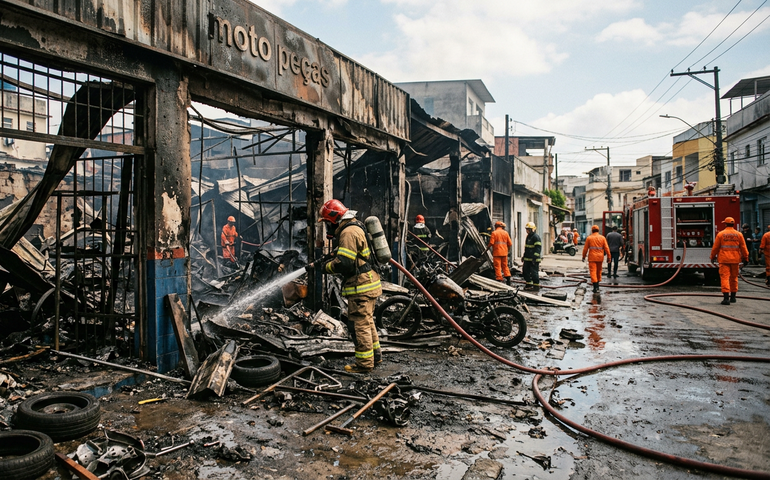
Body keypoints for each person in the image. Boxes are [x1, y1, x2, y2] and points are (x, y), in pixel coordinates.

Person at [312, 199, 382, 373]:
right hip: (369, 282)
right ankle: (376, 356)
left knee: (359, 325)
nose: (327, 226)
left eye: (328, 222)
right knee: (367, 322)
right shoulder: (354, 227)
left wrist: (325, 268)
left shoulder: (348, 233)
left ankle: (364, 365)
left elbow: (345, 263)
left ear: (335, 218)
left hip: (361, 287)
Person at [710, 217, 749, 305]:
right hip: (735, 260)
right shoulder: (739, 234)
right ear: (733, 224)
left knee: (725, 277)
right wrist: (746, 258)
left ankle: (726, 298)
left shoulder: (721, 234)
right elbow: (744, 248)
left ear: (725, 224)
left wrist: (712, 257)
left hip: (724, 260)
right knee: (734, 278)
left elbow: (715, 248)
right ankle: (733, 297)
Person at [582, 225, 610, 293]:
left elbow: (585, 249)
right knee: (599, 271)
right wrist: (609, 257)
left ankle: (595, 287)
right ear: (598, 230)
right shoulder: (602, 238)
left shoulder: (589, 238)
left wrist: (583, 256)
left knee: (593, 272)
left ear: (592, 230)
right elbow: (607, 248)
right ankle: (598, 285)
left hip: (592, 258)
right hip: (600, 257)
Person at [522, 222, 541, 290]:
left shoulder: (536, 237)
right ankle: (529, 284)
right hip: (527, 259)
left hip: (534, 259)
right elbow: (527, 248)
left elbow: (538, 249)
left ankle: (536, 286)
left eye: (528, 229)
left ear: (532, 229)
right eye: (527, 229)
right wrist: (524, 256)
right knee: (525, 272)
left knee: (534, 273)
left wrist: (534, 258)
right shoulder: (528, 237)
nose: (527, 231)